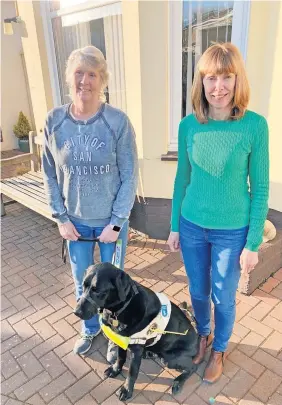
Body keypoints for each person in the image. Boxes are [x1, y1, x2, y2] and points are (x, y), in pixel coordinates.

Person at [168, 43, 269, 383]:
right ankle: (204, 333)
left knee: (223, 295)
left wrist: (253, 242)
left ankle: (220, 348)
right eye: (211, 78)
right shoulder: (189, 125)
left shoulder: (255, 126)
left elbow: (261, 187)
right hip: (192, 225)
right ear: (201, 82)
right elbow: (182, 177)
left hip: (232, 231)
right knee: (197, 291)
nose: (219, 87)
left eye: (227, 77)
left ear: (237, 80)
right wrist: (174, 226)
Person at [42, 45, 138, 356]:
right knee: (81, 283)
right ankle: (90, 329)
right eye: (79, 73)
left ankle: (115, 337)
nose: (86, 81)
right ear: (70, 79)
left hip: (111, 226)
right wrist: (61, 218)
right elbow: (50, 174)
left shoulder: (117, 122)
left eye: (93, 74)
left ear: (102, 80)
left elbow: (129, 175)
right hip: (75, 225)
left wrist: (117, 222)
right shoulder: (55, 122)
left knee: (114, 289)